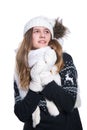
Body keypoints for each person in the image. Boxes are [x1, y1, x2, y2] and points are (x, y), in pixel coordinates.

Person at [14, 16, 83, 130]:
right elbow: (22, 114)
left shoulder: (63, 59)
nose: (42, 35)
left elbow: (69, 104)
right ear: (28, 36)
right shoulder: (21, 66)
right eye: (36, 31)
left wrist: (45, 79)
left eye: (46, 31)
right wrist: (35, 84)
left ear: (51, 36)